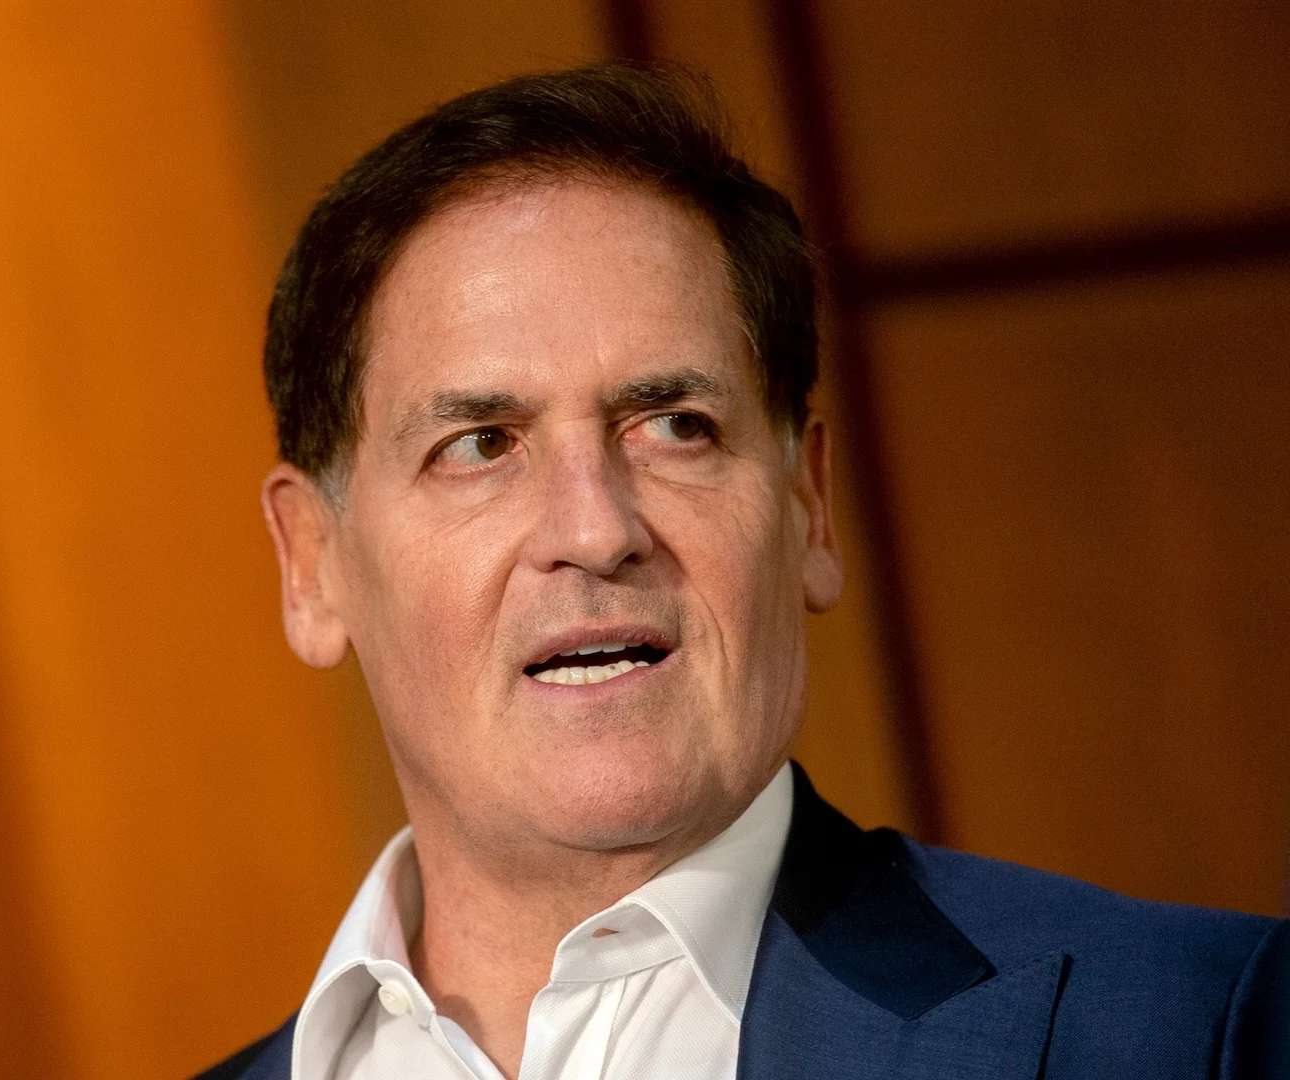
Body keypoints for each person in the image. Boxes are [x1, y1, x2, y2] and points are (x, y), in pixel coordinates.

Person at [198, 64, 1286, 1080]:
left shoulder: (1194, 1030)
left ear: (808, 505)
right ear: (314, 565)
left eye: (675, 425)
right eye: (482, 444)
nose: (597, 530)